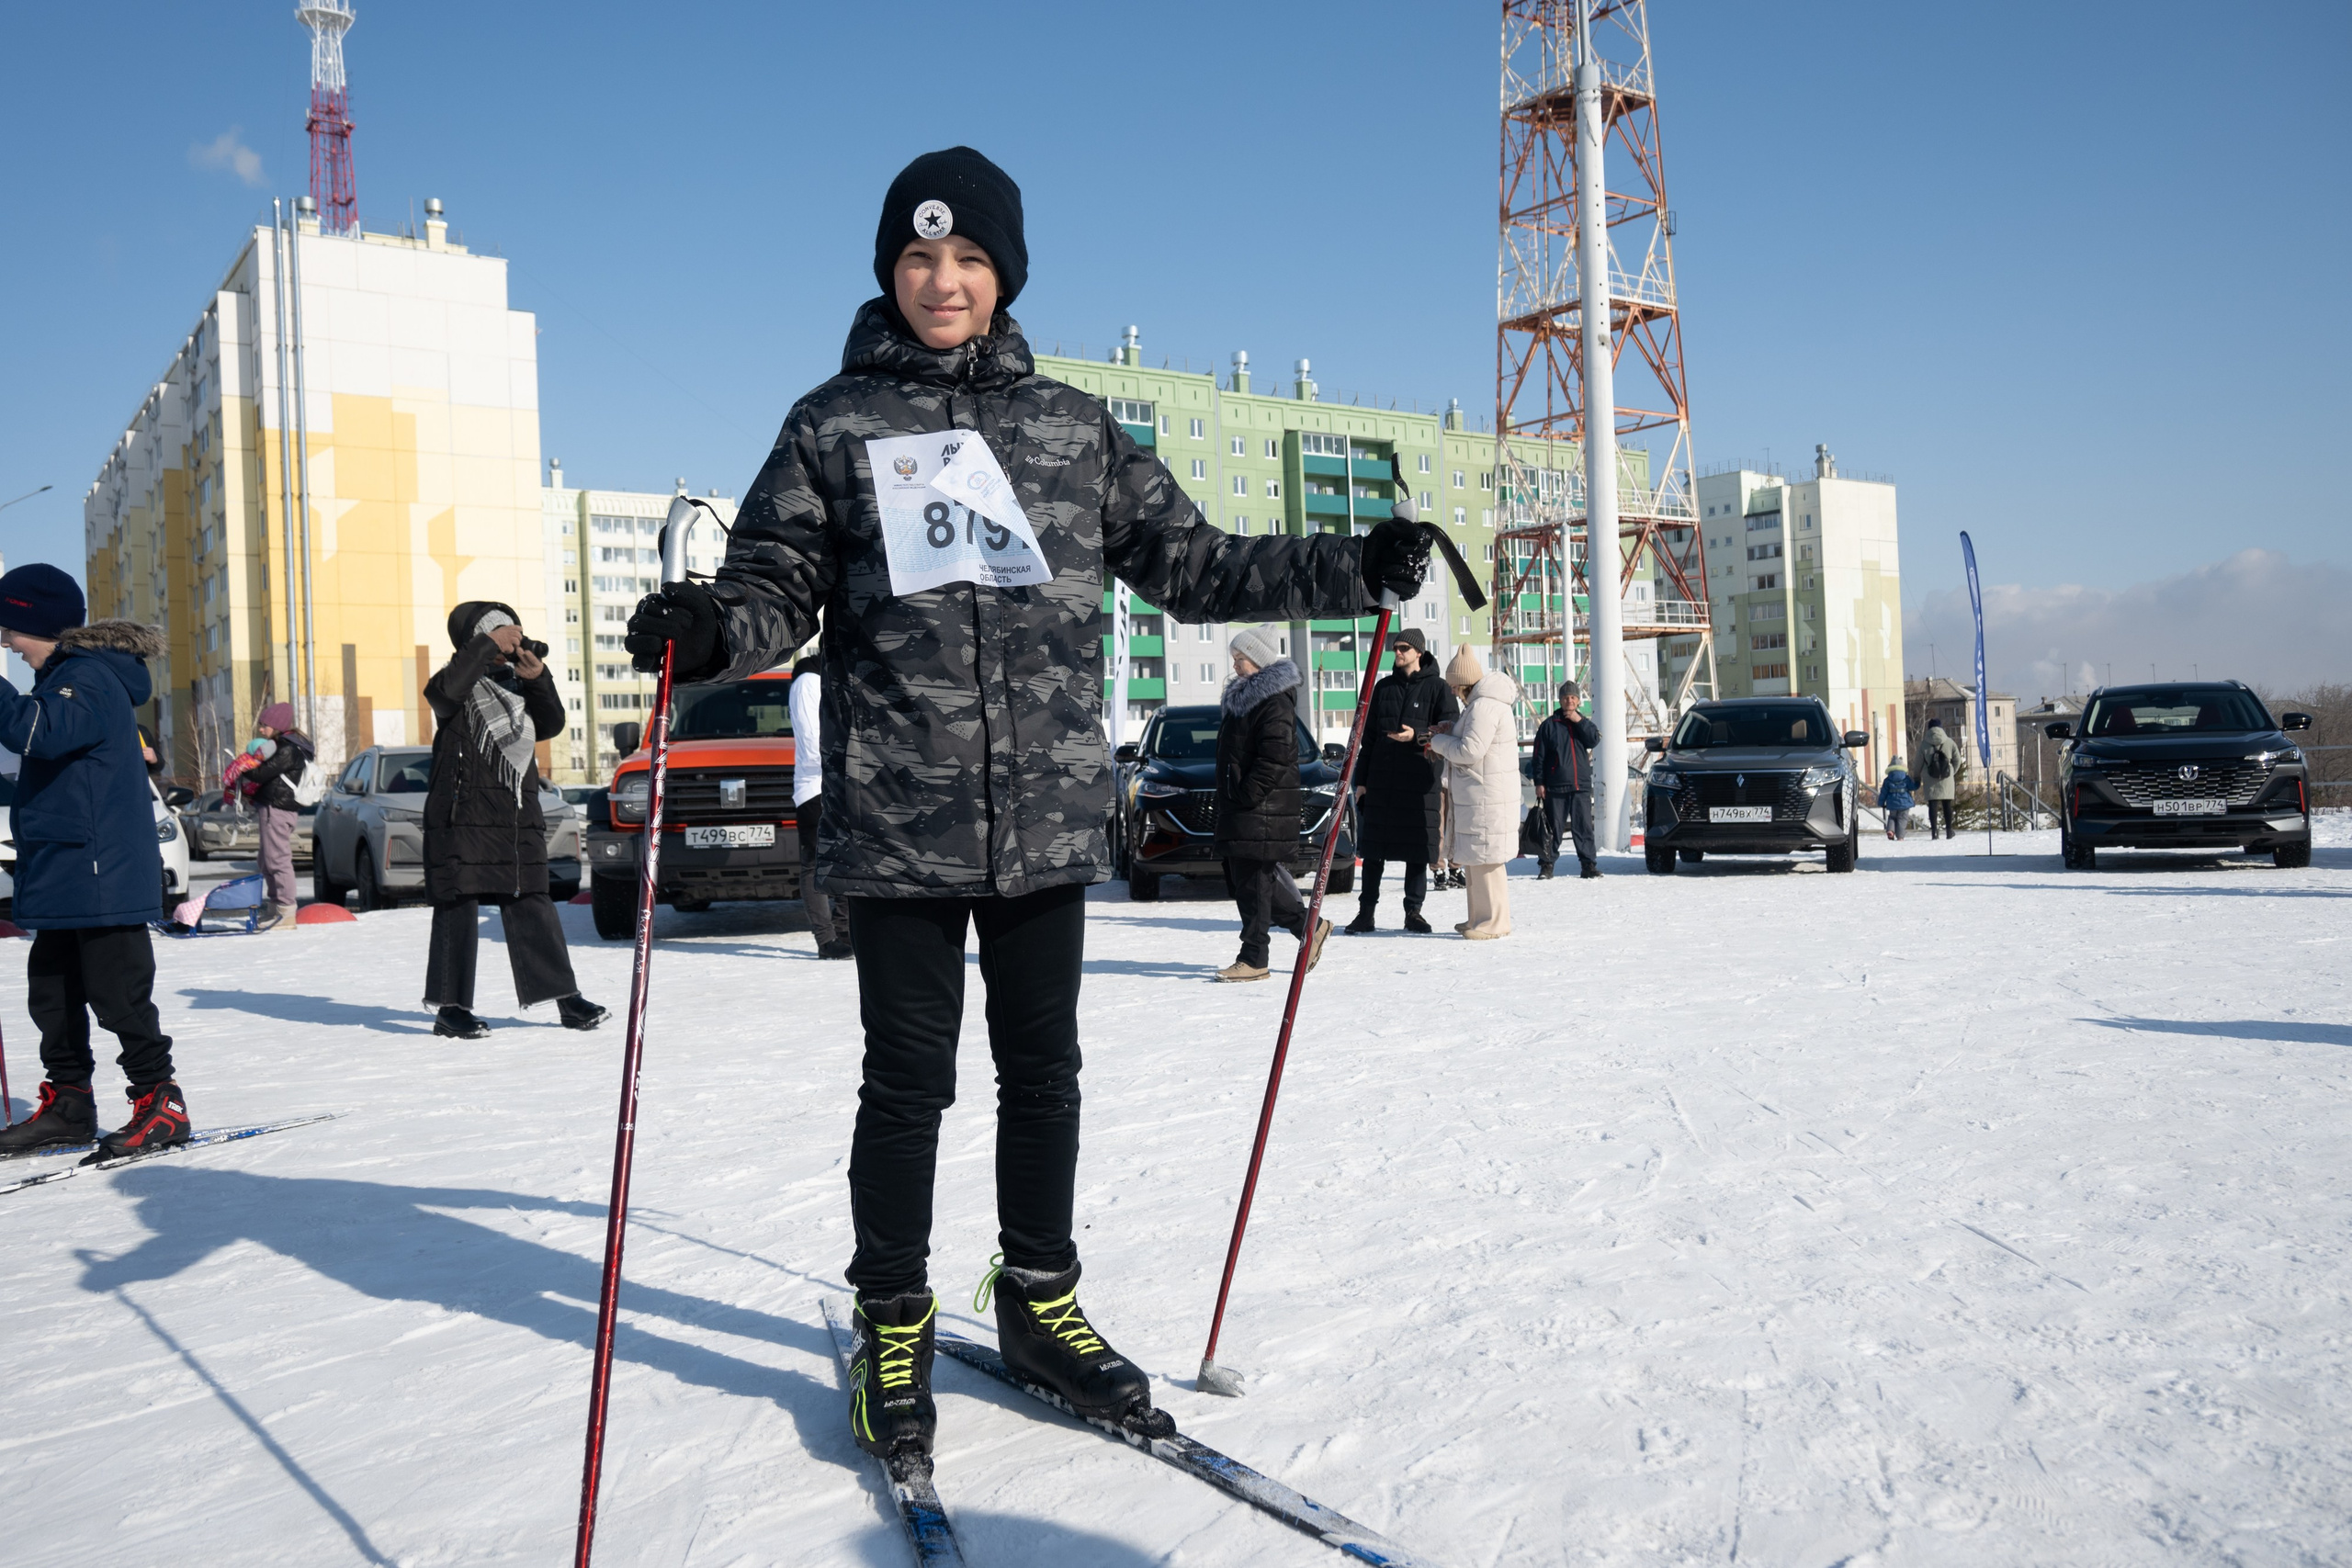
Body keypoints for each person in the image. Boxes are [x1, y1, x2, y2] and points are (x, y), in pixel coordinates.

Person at [622, 146, 1429, 1461]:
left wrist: (1354, 560)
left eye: (970, 259)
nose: (943, 281)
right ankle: (895, 1310)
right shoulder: (833, 425)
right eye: (920, 257)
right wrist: (710, 627)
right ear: (890, 268)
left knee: (1043, 1074)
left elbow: (1197, 561)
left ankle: (1042, 1300)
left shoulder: (1070, 428)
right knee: (907, 1079)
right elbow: (774, 584)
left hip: (1051, 813)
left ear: (1007, 276)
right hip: (900, 821)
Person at [0, 565, 190, 1160]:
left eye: (12, 631)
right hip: (64, 871)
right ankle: (70, 1104)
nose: (8, 643)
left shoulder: (88, 676)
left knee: (119, 991)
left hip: (98, 871)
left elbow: (37, 732)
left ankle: (161, 1101)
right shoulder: (66, 676)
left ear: (41, 623)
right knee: (52, 992)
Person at [420, 603, 609, 1040]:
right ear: (478, 639)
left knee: (533, 902)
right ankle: (451, 1008)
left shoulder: (513, 693)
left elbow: (552, 723)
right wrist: (487, 647)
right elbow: (444, 694)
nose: (511, 642)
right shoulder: (457, 682)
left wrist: (536, 678)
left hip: (515, 816)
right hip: (462, 816)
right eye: (500, 634)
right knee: (458, 905)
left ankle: (567, 999)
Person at [1212, 626, 1330, 981]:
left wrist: (1246, 793)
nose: (1235, 666)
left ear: (1260, 661)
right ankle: (1312, 927)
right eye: (1233, 659)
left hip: (1260, 810)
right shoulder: (1248, 700)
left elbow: (1276, 758)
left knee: (1254, 887)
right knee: (1251, 884)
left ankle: (1254, 958)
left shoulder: (1273, 702)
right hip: (1246, 809)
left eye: (1241, 660)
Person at [1345, 627, 1456, 934]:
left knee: (1416, 851)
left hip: (1420, 783)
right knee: (1373, 851)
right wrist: (1362, 781)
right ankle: (1365, 913)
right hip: (1382, 781)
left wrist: (1416, 737)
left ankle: (1414, 912)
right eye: (1395, 648)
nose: (1397, 653)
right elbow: (1367, 740)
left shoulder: (1439, 688)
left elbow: (1450, 730)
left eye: (1404, 648)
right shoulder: (1383, 688)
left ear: (1418, 652)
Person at [1426, 647, 1521, 940]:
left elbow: (1470, 750)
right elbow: (1472, 739)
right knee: (1478, 860)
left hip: (1486, 795)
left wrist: (1439, 741)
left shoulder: (1484, 707)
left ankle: (1493, 922)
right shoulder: (1480, 705)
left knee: (1488, 861)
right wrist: (1450, 729)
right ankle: (1479, 919)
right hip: (1481, 794)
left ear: (1465, 682)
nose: (1452, 690)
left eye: (1454, 684)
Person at [788, 655, 851, 960]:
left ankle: (843, 933)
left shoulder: (820, 680)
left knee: (842, 862)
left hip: (831, 786)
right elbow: (814, 744)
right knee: (814, 866)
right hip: (815, 790)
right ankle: (826, 940)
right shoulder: (808, 683)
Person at [240, 700, 314, 926]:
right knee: (266, 860)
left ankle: (286, 910)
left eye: (265, 725)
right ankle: (276, 908)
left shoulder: (286, 748)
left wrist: (243, 765)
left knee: (277, 860)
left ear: (277, 726)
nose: (261, 730)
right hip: (273, 807)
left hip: (277, 808)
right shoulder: (284, 746)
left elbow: (261, 774)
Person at [1530, 680, 1602, 880]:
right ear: (1560, 700)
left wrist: (1578, 720)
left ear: (1578, 701)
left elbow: (1594, 739)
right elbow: (1539, 757)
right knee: (1553, 829)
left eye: (1573, 697)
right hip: (1556, 786)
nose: (1569, 701)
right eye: (1565, 697)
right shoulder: (1549, 726)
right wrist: (1539, 782)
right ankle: (1546, 866)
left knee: (1584, 828)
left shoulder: (1583, 724)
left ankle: (1588, 866)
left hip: (1581, 786)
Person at [1918, 717, 1961, 840]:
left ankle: (1934, 833)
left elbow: (1918, 763)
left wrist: (1916, 776)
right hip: (1947, 778)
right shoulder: (1950, 742)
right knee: (1947, 805)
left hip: (1930, 778)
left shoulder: (1924, 744)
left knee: (1933, 805)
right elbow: (1957, 760)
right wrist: (1952, 772)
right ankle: (1949, 831)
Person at [1877, 756, 1916, 840]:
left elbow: (1883, 792)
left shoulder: (1887, 780)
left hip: (1892, 803)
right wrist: (1918, 783)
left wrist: (1881, 802)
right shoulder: (1906, 778)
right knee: (1902, 819)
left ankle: (1890, 830)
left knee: (1892, 817)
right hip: (1904, 803)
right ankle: (1900, 837)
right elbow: (1912, 787)